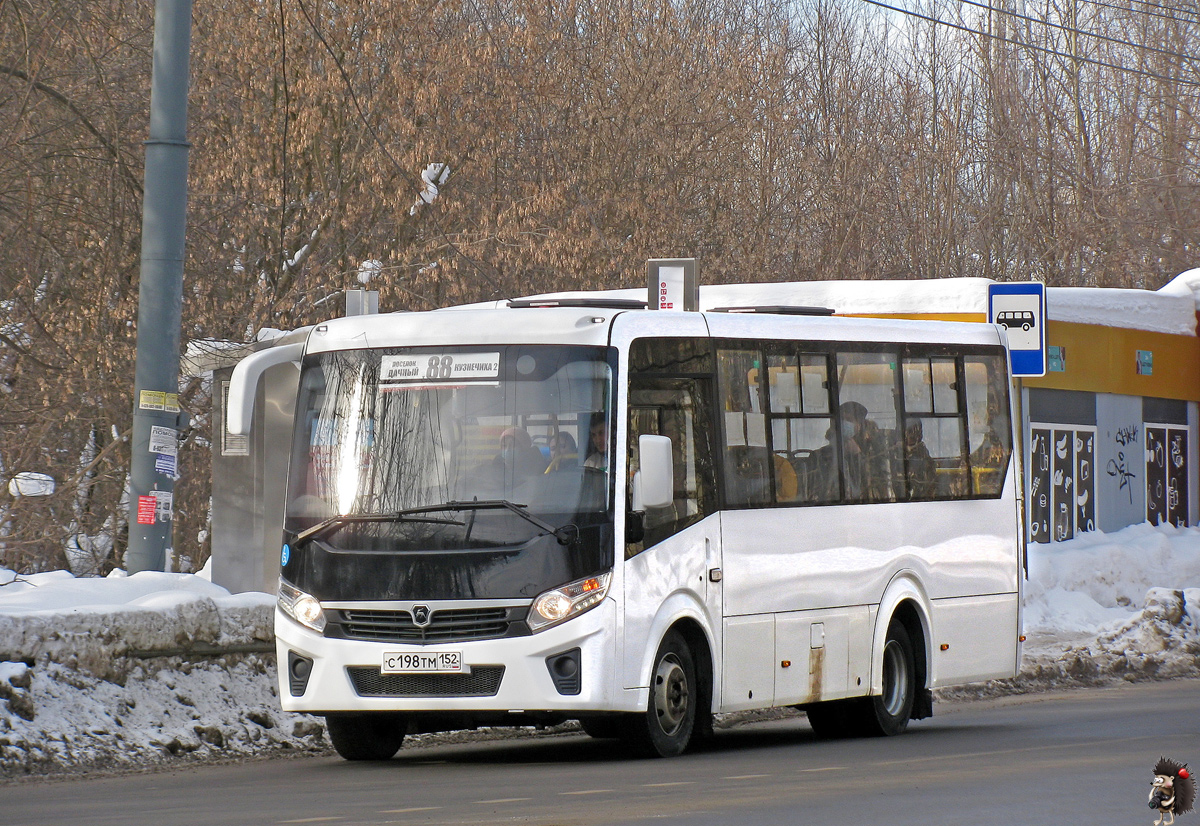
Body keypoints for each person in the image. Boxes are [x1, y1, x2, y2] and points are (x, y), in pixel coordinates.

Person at [904, 420, 936, 499]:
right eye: (910, 432)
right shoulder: (897, 451)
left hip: (921, 495)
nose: (913, 436)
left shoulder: (922, 451)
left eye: (916, 433)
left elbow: (930, 473)